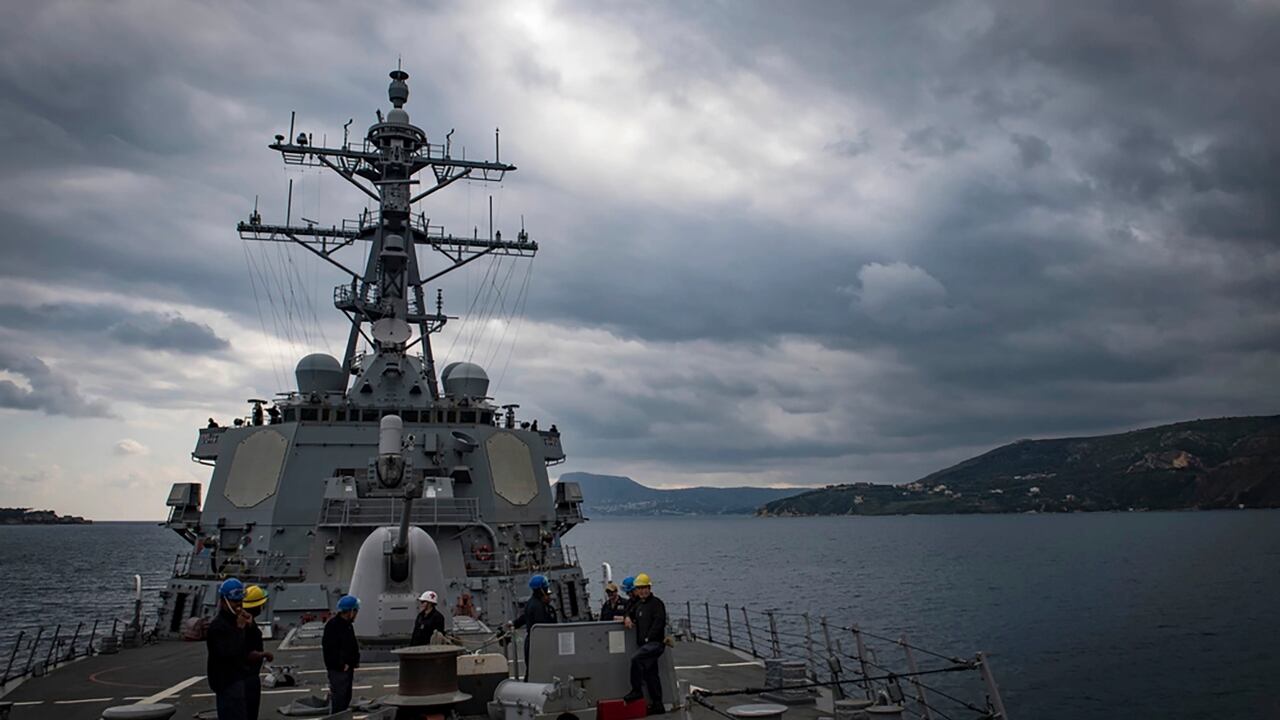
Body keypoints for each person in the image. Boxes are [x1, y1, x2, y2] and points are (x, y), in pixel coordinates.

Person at [622, 573, 667, 715]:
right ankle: (658, 704)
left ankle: (636, 691)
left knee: (635, 659)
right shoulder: (639, 605)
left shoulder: (657, 604)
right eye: (640, 588)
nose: (642, 591)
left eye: (645, 588)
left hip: (654, 644)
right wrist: (627, 617)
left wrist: (648, 638)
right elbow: (629, 612)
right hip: (645, 645)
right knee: (651, 674)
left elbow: (659, 623)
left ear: (649, 588)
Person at [206, 577, 250, 720]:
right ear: (224, 601)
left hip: (237, 679)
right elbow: (228, 652)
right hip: (226, 682)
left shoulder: (234, 621)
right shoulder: (218, 626)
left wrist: (250, 626)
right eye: (235, 601)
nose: (239, 605)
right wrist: (240, 629)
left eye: (240, 601)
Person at [512, 574, 557, 680]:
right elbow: (543, 627)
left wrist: (514, 624)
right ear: (542, 589)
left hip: (532, 642)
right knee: (539, 672)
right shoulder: (538, 607)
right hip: (539, 644)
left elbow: (524, 617)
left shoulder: (532, 603)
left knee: (532, 671)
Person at [323, 595, 361, 713]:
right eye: (355, 611)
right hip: (339, 670)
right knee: (339, 700)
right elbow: (330, 649)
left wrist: (353, 661)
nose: (356, 614)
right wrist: (341, 665)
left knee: (345, 698)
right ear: (350, 611)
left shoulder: (347, 625)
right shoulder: (333, 626)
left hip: (346, 669)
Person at [242, 585, 273, 720]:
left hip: (248, 675)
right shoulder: (245, 625)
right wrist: (263, 655)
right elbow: (245, 652)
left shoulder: (248, 623)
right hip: (246, 676)